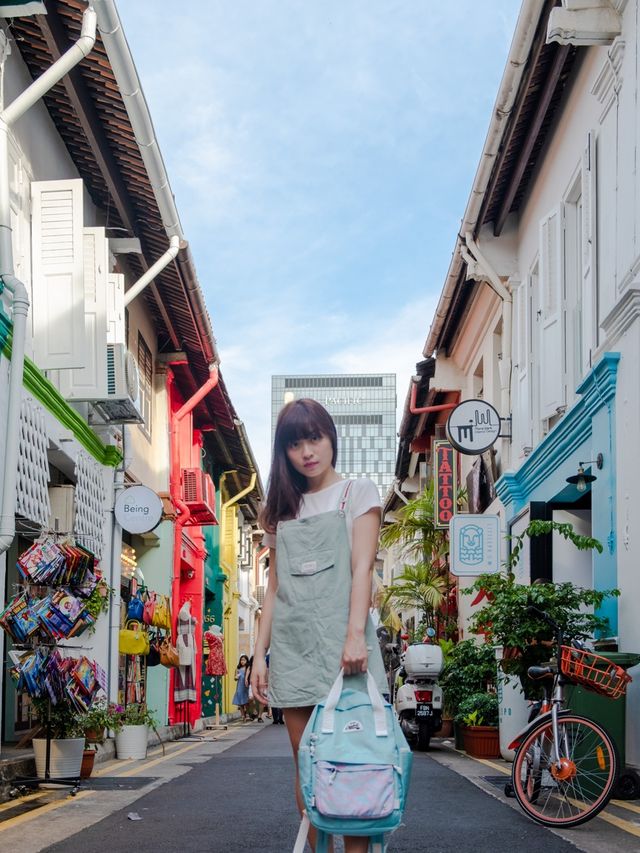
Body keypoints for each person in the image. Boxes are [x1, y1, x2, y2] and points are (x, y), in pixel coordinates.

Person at [251, 398, 387, 853]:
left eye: (315, 438)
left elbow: (362, 569)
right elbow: (274, 589)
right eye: (295, 443)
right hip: (292, 649)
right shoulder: (281, 509)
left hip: (343, 648)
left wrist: (354, 637)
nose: (307, 451)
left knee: (351, 761)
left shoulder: (358, 493)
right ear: (283, 452)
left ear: (331, 439)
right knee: (306, 764)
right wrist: (258, 655)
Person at [232, 654, 250, 721]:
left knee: (246, 701)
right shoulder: (238, 669)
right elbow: (235, 678)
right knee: (240, 702)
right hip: (239, 687)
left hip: (245, 686)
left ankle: (247, 714)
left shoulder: (248, 668)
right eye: (241, 660)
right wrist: (236, 677)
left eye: (244, 660)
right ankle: (242, 715)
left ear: (246, 661)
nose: (242, 661)